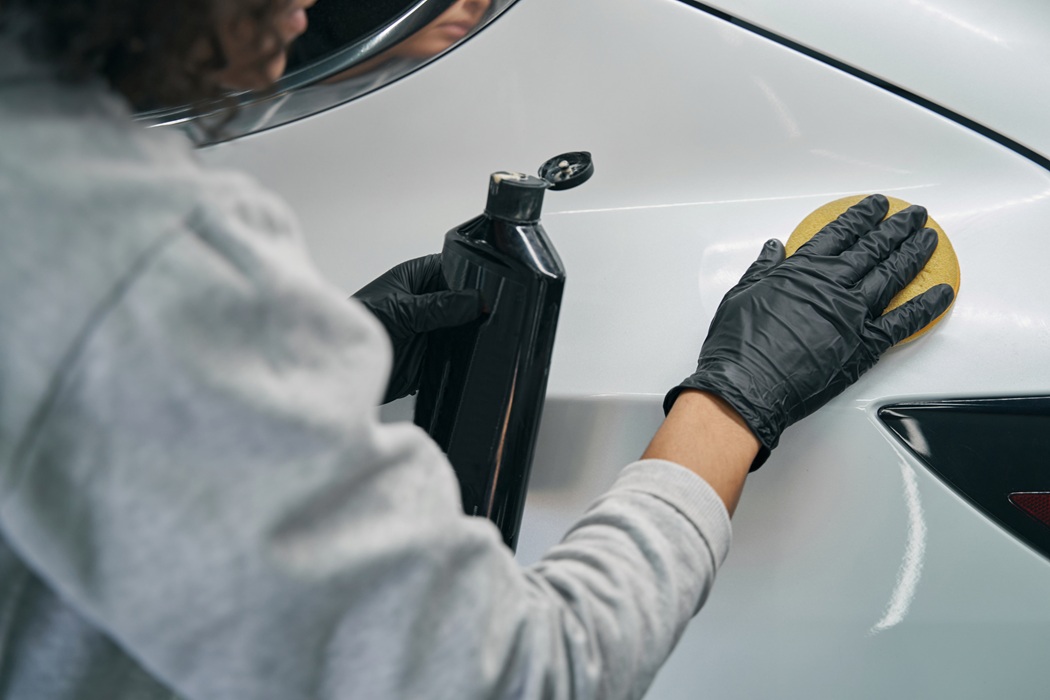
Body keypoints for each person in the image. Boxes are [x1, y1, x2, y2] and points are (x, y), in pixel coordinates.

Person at [0, 2, 954, 700]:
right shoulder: (135, 255)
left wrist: (294, 365)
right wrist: (733, 405)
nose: (309, 6)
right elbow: (527, 675)